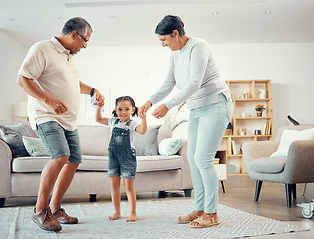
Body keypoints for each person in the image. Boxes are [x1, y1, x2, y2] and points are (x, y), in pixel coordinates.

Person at [139, 15, 233, 228]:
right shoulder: (175, 54)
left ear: (175, 33)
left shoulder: (198, 46)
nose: (163, 45)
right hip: (197, 108)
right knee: (192, 157)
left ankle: (212, 213)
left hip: (216, 104)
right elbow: (169, 82)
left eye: (164, 40)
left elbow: (193, 83)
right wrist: (150, 101)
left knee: (203, 158)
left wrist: (167, 106)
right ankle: (200, 208)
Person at [17, 17, 105, 232]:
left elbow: (71, 82)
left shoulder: (69, 56)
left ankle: (55, 209)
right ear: (73, 34)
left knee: (73, 160)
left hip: (68, 120)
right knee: (60, 156)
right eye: (85, 40)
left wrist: (92, 90)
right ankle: (40, 210)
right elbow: (23, 79)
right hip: (46, 115)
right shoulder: (42, 49)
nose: (85, 45)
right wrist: (49, 100)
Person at [96, 96, 147, 222]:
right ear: (115, 109)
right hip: (113, 157)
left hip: (127, 157)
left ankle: (133, 212)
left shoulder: (133, 123)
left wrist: (144, 118)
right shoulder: (113, 122)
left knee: (128, 186)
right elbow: (98, 119)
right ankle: (117, 211)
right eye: (120, 109)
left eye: (127, 109)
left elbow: (142, 131)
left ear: (133, 110)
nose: (123, 112)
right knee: (114, 186)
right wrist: (98, 108)